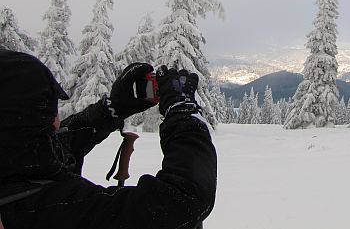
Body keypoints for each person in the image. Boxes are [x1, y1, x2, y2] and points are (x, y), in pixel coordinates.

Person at [0, 49, 217, 229]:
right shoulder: (46, 210)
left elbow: (51, 150)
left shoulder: (15, 177)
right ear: (23, 121)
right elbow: (182, 203)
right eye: (48, 109)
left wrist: (111, 110)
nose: (57, 120)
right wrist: (183, 115)